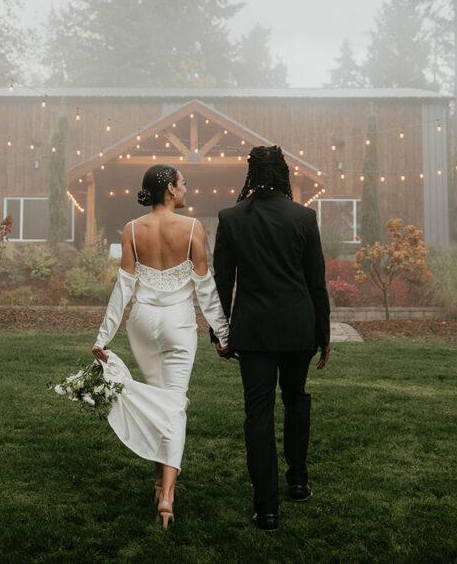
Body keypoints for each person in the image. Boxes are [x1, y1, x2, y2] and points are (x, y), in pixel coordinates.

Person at [91, 164, 229, 529]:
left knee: (159, 401)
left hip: (141, 324)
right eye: (183, 184)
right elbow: (205, 288)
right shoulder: (193, 228)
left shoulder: (132, 230)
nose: (186, 189)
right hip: (178, 324)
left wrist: (103, 337)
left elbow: (123, 289)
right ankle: (167, 497)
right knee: (173, 403)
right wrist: (225, 335)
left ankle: (157, 480)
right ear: (169, 189)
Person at [211, 145, 331, 534]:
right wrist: (324, 334)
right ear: (283, 174)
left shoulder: (230, 219)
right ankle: (298, 482)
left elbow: (222, 282)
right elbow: (316, 281)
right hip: (299, 329)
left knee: (257, 414)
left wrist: (219, 331)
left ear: (250, 175)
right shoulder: (304, 217)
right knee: (296, 400)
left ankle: (266, 510)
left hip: (254, 333)